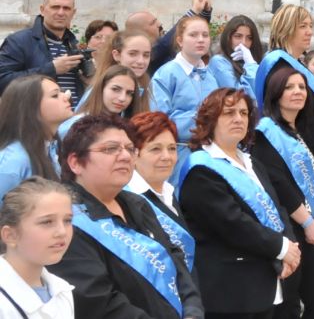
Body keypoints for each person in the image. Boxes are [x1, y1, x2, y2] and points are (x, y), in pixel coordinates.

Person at [51, 114, 203, 319]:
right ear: (76, 162)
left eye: (130, 149)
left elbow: (177, 264)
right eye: (110, 149)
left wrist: (193, 312)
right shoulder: (66, 220)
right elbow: (97, 301)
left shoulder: (137, 204)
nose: (125, 156)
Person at [178, 88, 299, 319]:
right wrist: (282, 248)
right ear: (210, 119)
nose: (238, 119)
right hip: (231, 294)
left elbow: (277, 208)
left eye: (244, 113)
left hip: (264, 283)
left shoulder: (252, 163)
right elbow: (232, 223)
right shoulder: (200, 169)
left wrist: (290, 245)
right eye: (229, 113)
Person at [252, 68, 314, 318]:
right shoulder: (265, 133)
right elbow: (278, 182)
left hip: (313, 223)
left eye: (301, 87)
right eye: (289, 87)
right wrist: (309, 222)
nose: (298, 92)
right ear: (276, 94)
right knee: (288, 304)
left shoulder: (301, 130)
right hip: (288, 226)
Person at [253, 6, 314, 229]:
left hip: (308, 148)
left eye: (310, 26)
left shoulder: (295, 63)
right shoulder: (279, 64)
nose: (309, 31)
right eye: (303, 26)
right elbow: (298, 116)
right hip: (291, 151)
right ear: (286, 28)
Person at [126, 112, 195, 277]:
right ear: (134, 154)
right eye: (155, 149)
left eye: (172, 148)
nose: (167, 157)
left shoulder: (168, 192)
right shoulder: (126, 200)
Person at [150, 16, 219, 174]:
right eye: (193, 35)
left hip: (209, 154)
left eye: (205, 35)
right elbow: (159, 119)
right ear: (180, 40)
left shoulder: (210, 76)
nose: (200, 40)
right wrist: (203, 120)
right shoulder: (166, 74)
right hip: (179, 155)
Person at [0, 177, 75, 318]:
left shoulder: (62, 289)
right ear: (10, 235)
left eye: (67, 220)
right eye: (47, 222)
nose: (62, 232)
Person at [0, 0, 83, 105]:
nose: (61, 12)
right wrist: (51, 69)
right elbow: (2, 81)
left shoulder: (74, 44)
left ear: (73, 13)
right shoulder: (18, 41)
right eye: (55, 7)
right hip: (34, 120)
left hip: (73, 119)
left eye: (66, 8)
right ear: (42, 10)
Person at [0, 76, 72, 202]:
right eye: (55, 95)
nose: (66, 96)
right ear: (30, 108)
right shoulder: (14, 161)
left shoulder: (51, 146)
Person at [127, 0, 212, 75]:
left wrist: (205, 11)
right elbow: (166, 42)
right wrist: (194, 10)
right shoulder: (152, 51)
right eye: (153, 23)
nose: (159, 24)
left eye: (205, 35)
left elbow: (196, 28)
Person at [75, 29, 155, 112]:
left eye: (146, 55)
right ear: (116, 55)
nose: (140, 61)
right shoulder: (98, 90)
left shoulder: (149, 90)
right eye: (132, 54)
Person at [59, 65, 146, 139]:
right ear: (101, 89)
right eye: (115, 89)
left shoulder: (131, 127)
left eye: (129, 93)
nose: (122, 98)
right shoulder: (73, 126)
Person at [209, 15, 264, 102]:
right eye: (238, 36)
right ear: (228, 37)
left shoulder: (252, 61)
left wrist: (250, 62)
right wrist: (250, 65)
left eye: (249, 38)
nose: (244, 43)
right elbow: (239, 97)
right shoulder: (219, 62)